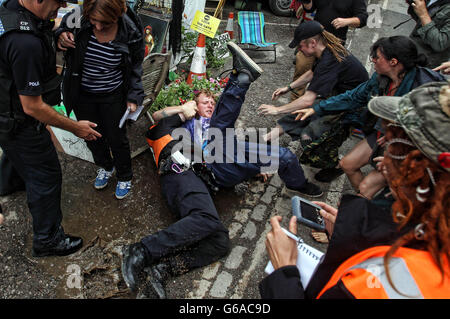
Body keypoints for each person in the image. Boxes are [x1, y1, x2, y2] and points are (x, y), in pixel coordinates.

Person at [121, 42, 322, 298]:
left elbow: (230, 144)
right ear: (192, 105)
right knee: (220, 241)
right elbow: (156, 119)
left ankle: (298, 184)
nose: (209, 105)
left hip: (218, 168)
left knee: (278, 155)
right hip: (183, 170)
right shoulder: (176, 126)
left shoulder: (218, 126)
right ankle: (145, 255)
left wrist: (251, 167)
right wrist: (183, 111)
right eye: (204, 102)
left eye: (212, 102)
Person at [259, 81, 450, 298]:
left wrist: (284, 271)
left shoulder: (387, 283)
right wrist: (347, 236)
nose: (382, 161)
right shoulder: (429, 229)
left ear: (417, 170)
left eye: (389, 146)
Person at [0, 0, 101, 257]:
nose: (61, 9)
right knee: (46, 175)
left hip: (6, 110)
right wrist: (75, 127)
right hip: (18, 118)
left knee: (16, 152)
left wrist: (56, 35)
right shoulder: (25, 43)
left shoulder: (12, 8)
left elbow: (43, 26)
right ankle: (48, 240)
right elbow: (33, 107)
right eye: (57, 3)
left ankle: (8, 183)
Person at [294, 36, 446, 193]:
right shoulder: (380, 77)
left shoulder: (425, 89)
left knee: (381, 190)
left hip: (414, 147)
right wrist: (317, 108)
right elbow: (354, 96)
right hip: (383, 133)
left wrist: (400, 141)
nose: (372, 59)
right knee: (347, 164)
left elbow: (436, 134)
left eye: (377, 57)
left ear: (393, 62)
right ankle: (365, 204)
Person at [56, 0, 145, 199]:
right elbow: (60, 29)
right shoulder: (78, 15)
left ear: (118, 15)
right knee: (91, 135)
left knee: (116, 137)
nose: (97, 27)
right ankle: (106, 165)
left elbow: (136, 64)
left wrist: (134, 95)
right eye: (93, 21)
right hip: (81, 93)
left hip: (113, 93)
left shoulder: (130, 29)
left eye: (105, 23)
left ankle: (124, 175)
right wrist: (60, 36)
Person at [258, 21, 368, 182]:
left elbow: (308, 99)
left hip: (353, 106)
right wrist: (289, 87)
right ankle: (265, 139)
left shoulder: (330, 61)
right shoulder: (324, 51)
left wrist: (277, 109)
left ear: (313, 43)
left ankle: (335, 166)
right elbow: (312, 73)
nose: (299, 50)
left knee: (311, 138)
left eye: (301, 46)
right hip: (339, 95)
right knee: (299, 114)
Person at [288, 0, 368, 100]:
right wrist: (306, 2)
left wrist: (346, 21)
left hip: (334, 43)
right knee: (302, 67)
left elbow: (363, 19)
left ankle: (318, 105)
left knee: (325, 77)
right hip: (314, 40)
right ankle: (294, 102)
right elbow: (310, 8)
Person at [407, 0, 450, 68]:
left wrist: (423, 14)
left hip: (424, 64)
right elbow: (420, 20)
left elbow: (439, 43)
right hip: (409, 49)